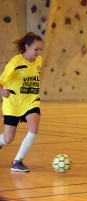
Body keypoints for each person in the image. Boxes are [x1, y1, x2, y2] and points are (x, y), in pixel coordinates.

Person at [0, 32, 43, 172]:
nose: (38, 52)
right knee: (8, 139)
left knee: (34, 128)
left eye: (40, 49)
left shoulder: (39, 61)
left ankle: (17, 161)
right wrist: (2, 91)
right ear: (27, 47)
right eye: (36, 49)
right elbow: (1, 81)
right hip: (13, 104)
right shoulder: (15, 63)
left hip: (31, 101)